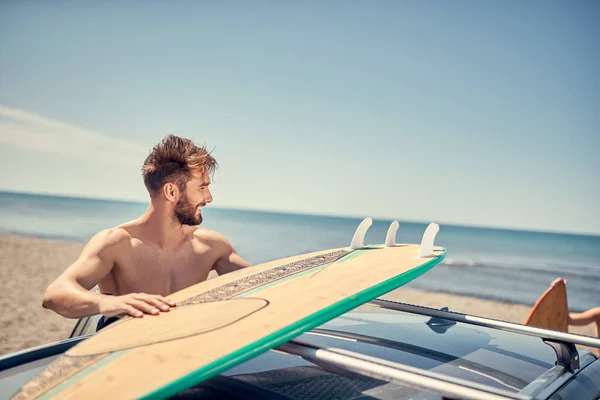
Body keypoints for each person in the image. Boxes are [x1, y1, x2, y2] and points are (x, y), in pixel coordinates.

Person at [42, 135, 250, 329]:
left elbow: (265, 283)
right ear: (171, 192)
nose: (209, 197)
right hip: (128, 359)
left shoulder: (211, 246)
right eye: (202, 188)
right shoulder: (118, 244)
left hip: (187, 358)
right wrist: (110, 303)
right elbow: (55, 295)